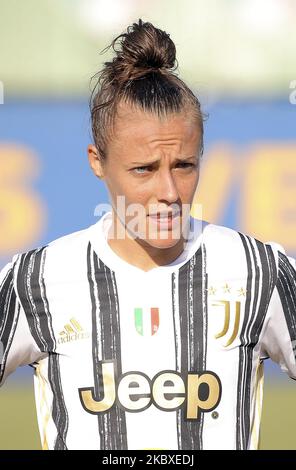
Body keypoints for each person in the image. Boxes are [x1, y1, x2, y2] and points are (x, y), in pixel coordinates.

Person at [0, 19, 295, 451]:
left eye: (184, 165)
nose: (169, 193)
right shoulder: (37, 278)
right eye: (144, 169)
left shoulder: (258, 270)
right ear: (97, 161)